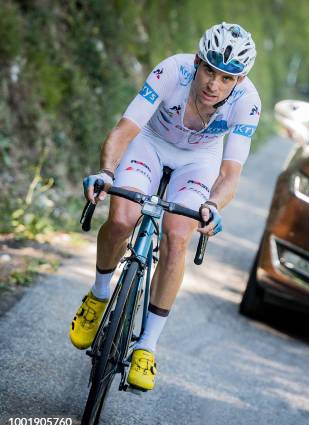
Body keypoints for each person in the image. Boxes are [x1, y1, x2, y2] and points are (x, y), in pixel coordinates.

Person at [69, 22, 260, 391]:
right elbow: (124, 131)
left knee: (177, 235)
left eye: (226, 78)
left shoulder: (248, 103)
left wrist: (212, 205)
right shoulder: (172, 71)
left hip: (199, 159)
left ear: (239, 81)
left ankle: (147, 346)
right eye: (209, 70)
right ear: (197, 61)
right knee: (123, 218)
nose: (213, 85)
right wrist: (107, 173)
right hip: (150, 143)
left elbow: (230, 173)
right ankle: (99, 293)